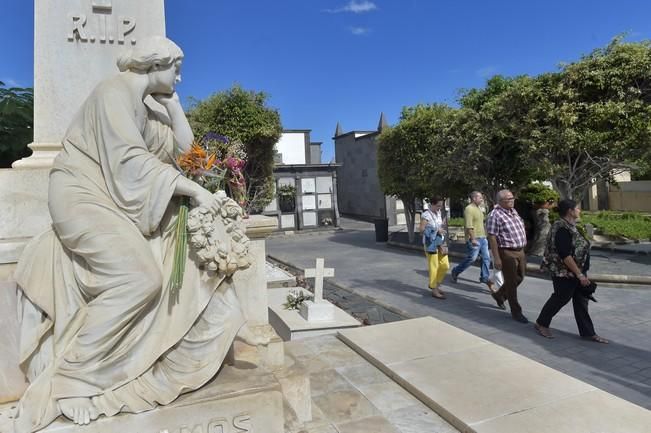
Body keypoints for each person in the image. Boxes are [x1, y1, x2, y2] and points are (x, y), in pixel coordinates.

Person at [6, 36, 265, 433]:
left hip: (117, 200)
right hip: (82, 196)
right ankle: (73, 380)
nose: (180, 75)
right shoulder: (115, 92)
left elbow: (188, 157)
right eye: (175, 67)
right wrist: (193, 190)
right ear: (154, 64)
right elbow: (129, 161)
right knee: (139, 278)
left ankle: (208, 325)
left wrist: (175, 108)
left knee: (190, 245)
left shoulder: (149, 107)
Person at [534, 200, 608, 343]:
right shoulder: (561, 227)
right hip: (565, 272)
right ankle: (541, 323)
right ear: (570, 211)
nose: (579, 210)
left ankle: (588, 333)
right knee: (561, 298)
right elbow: (565, 254)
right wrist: (579, 274)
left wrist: (581, 272)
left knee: (581, 301)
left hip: (576, 271)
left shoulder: (571, 226)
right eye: (577, 208)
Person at [486, 189, 528, 322]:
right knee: (511, 283)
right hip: (506, 251)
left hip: (520, 250)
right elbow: (492, 237)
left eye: (512, 198)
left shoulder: (513, 211)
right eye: (508, 199)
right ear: (500, 201)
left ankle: (499, 295)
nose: (512, 201)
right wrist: (497, 257)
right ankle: (516, 311)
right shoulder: (495, 215)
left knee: (520, 277)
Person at [450, 191, 494, 292]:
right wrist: (473, 239)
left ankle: (484, 277)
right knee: (472, 258)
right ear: (474, 198)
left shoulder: (479, 209)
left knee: (486, 258)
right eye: (480, 198)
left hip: (483, 238)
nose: (482, 199)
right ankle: (455, 271)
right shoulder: (469, 209)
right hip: (474, 238)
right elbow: (469, 225)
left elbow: (480, 222)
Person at [419, 197, 449, 299]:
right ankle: (434, 289)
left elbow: (439, 227)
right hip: (430, 244)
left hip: (440, 242)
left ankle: (435, 284)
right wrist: (437, 230)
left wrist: (441, 227)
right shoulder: (426, 215)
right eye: (438, 206)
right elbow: (422, 230)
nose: (439, 208)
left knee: (445, 265)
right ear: (432, 204)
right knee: (434, 266)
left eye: (441, 206)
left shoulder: (439, 213)